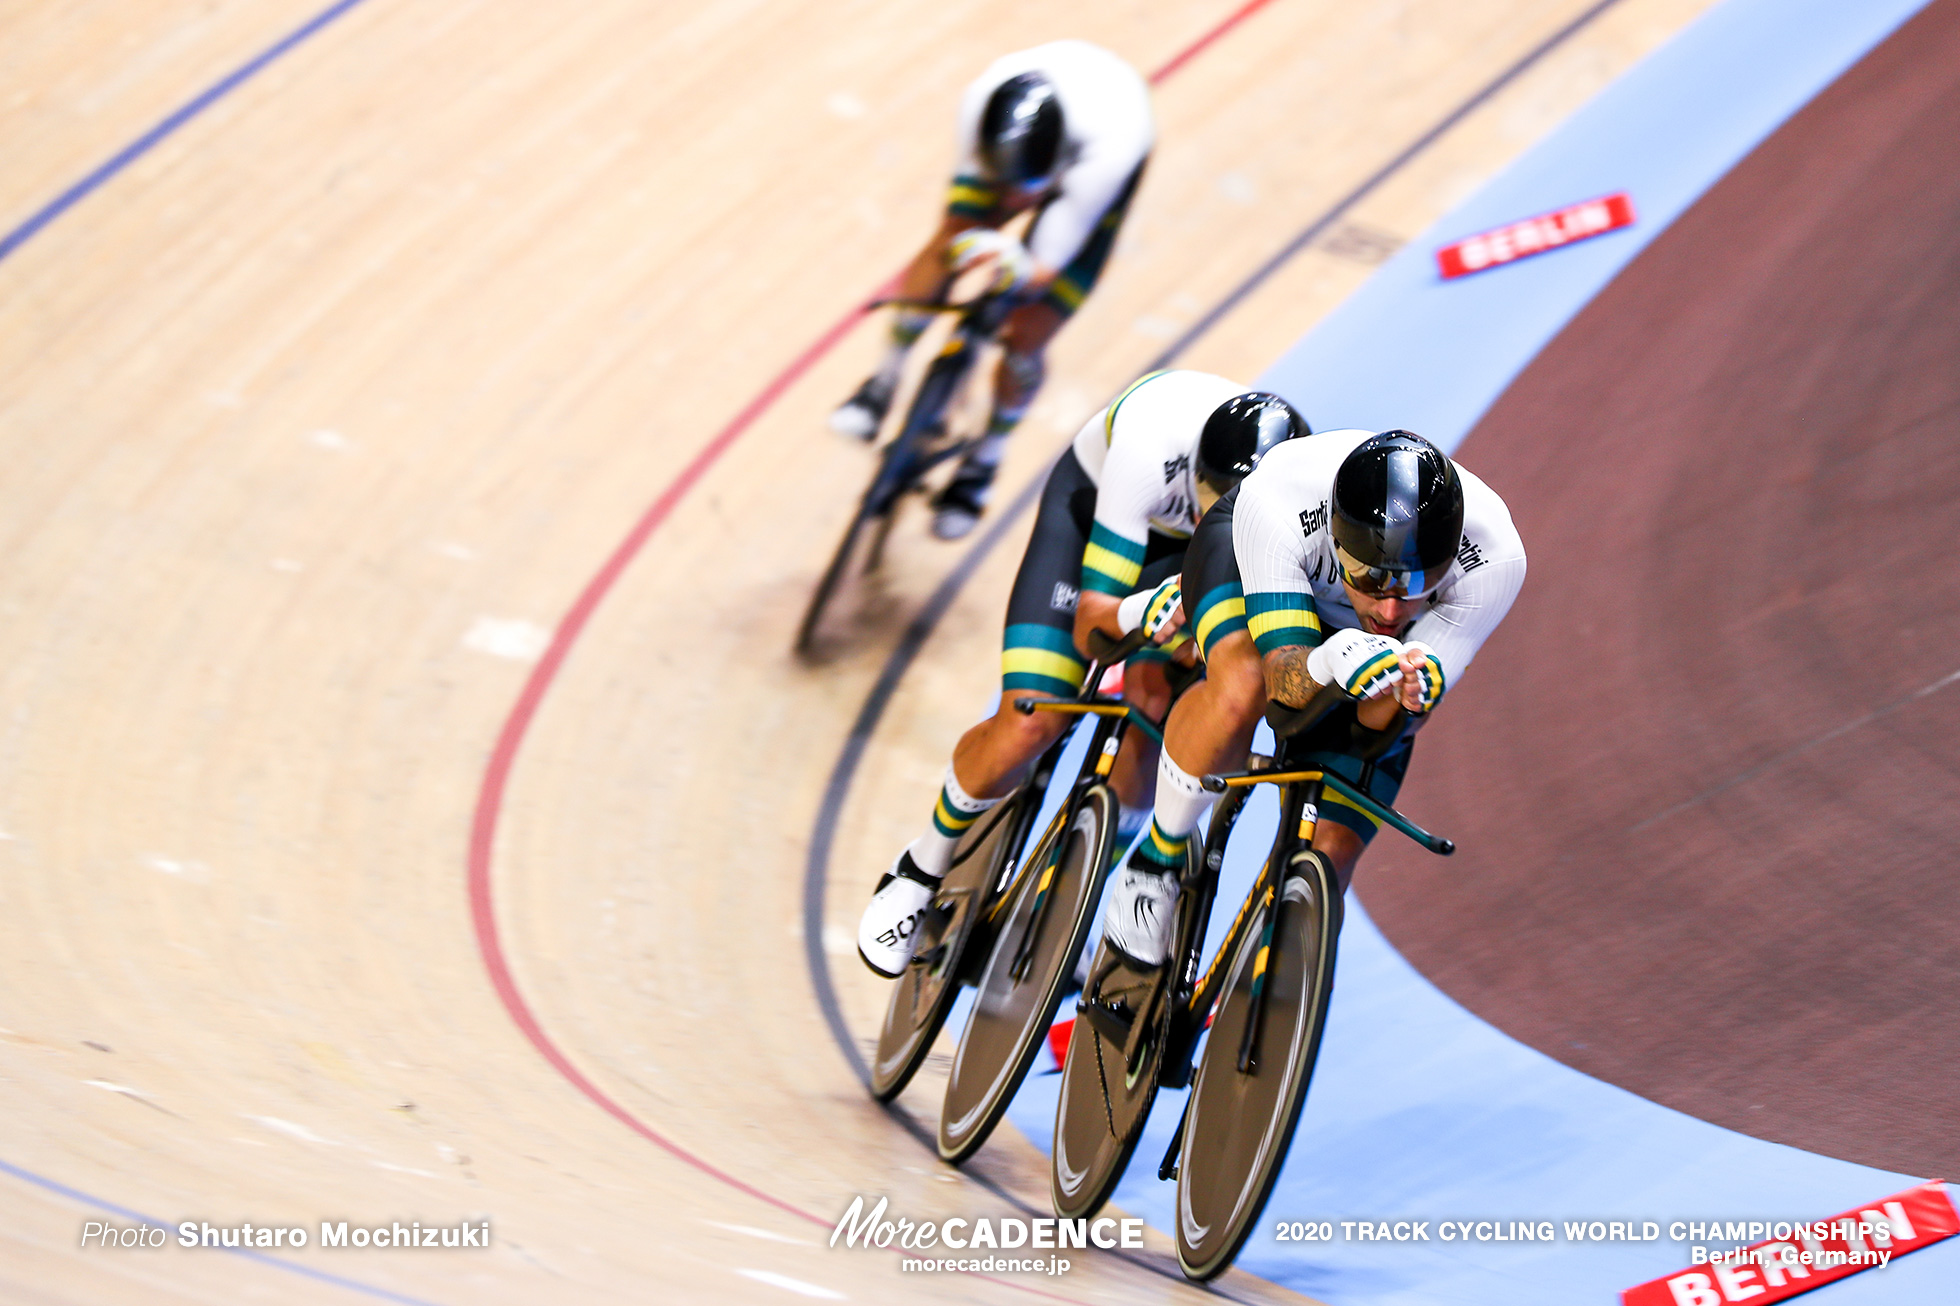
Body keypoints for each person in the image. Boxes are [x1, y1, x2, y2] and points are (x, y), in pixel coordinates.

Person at [856, 371, 1310, 977]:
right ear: (1197, 479)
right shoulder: (1151, 446)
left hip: (1193, 560)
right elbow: (1092, 630)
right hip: (1094, 521)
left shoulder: (1300, 496)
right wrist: (1138, 611)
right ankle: (920, 866)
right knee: (1031, 720)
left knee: (1160, 714)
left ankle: (1072, 892)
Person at [1096, 428, 1527, 967]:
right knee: (1242, 686)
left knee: (1332, 853)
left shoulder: (1495, 562)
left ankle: (1259, 1001)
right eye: (1370, 579)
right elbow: (1283, 687)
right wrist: (1329, 657)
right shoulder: (1280, 500)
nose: (1391, 612)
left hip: (1349, 641)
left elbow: (1377, 731)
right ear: (1338, 543)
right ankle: (1155, 863)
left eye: (1416, 585)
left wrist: (1409, 690)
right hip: (1247, 561)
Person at [829, 40, 1154, 541]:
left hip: (1101, 153)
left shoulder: (1109, 154)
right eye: (1004, 188)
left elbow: (1043, 269)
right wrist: (969, 244)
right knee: (948, 241)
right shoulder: (981, 106)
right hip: (1031, 128)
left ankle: (984, 459)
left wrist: (1020, 268)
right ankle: (883, 381)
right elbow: (962, 226)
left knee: (1030, 329)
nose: (1010, 202)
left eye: (1022, 190)